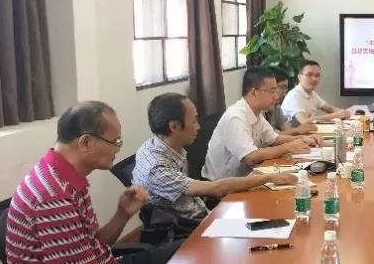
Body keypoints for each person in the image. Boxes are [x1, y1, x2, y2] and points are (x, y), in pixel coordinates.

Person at [6, 102, 179, 264]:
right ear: (86, 142)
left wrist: (122, 214)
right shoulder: (53, 196)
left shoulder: (64, 176)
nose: (118, 149)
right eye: (115, 142)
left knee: (184, 253)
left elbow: (95, 244)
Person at [132, 93, 298, 222]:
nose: (198, 126)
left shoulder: (161, 145)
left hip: (204, 212)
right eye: (194, 121)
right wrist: (268, 178)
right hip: (188, 230)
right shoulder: (156, 168)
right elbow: (217, 188)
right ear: (174, 126)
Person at [203, 67, 321, 180]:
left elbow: (274, 139)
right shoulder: (236, 117)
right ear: (254, 92)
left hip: (247, 177)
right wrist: (290, 146)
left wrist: (303, 139)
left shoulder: (256, 113)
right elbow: (251, 157)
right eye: (272, 91)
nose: (276, 96)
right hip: (223, 186)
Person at [281, 60, 350, 124]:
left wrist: (344, 112)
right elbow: (304, 122)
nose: (314, 79)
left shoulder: (312, 94)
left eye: (317, 75)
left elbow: (330, 108)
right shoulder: (294, 96)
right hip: (293, 133)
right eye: (309, 75)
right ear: (299, 77)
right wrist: (335, 115)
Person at [265, 69, 317, 135]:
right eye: (282, 87)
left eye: (285, 88)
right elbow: (270, 138)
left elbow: (288, 130)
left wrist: (299, 134)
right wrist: (298, 130)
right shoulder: (294, 95)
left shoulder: (276, 107)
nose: (284, 93)